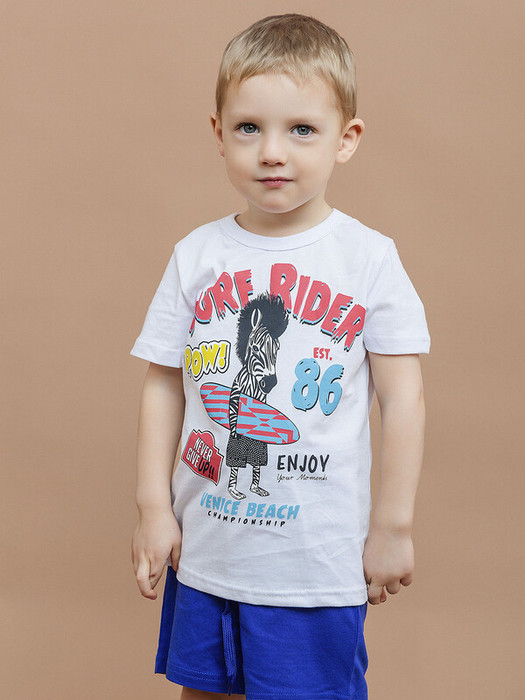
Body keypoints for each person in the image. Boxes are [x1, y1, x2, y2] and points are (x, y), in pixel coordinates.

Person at [130, 13, 430, 700]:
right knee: (204, 693)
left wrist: (393, 526)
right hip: (208, 552)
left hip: (313, 564)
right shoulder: (196, 256)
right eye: (248, 128)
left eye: (301, 130)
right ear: (218, 133)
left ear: (345, 139)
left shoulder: (368, 259)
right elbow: (164, 382)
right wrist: (152, 506)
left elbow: (403, 398)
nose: (271, 152)